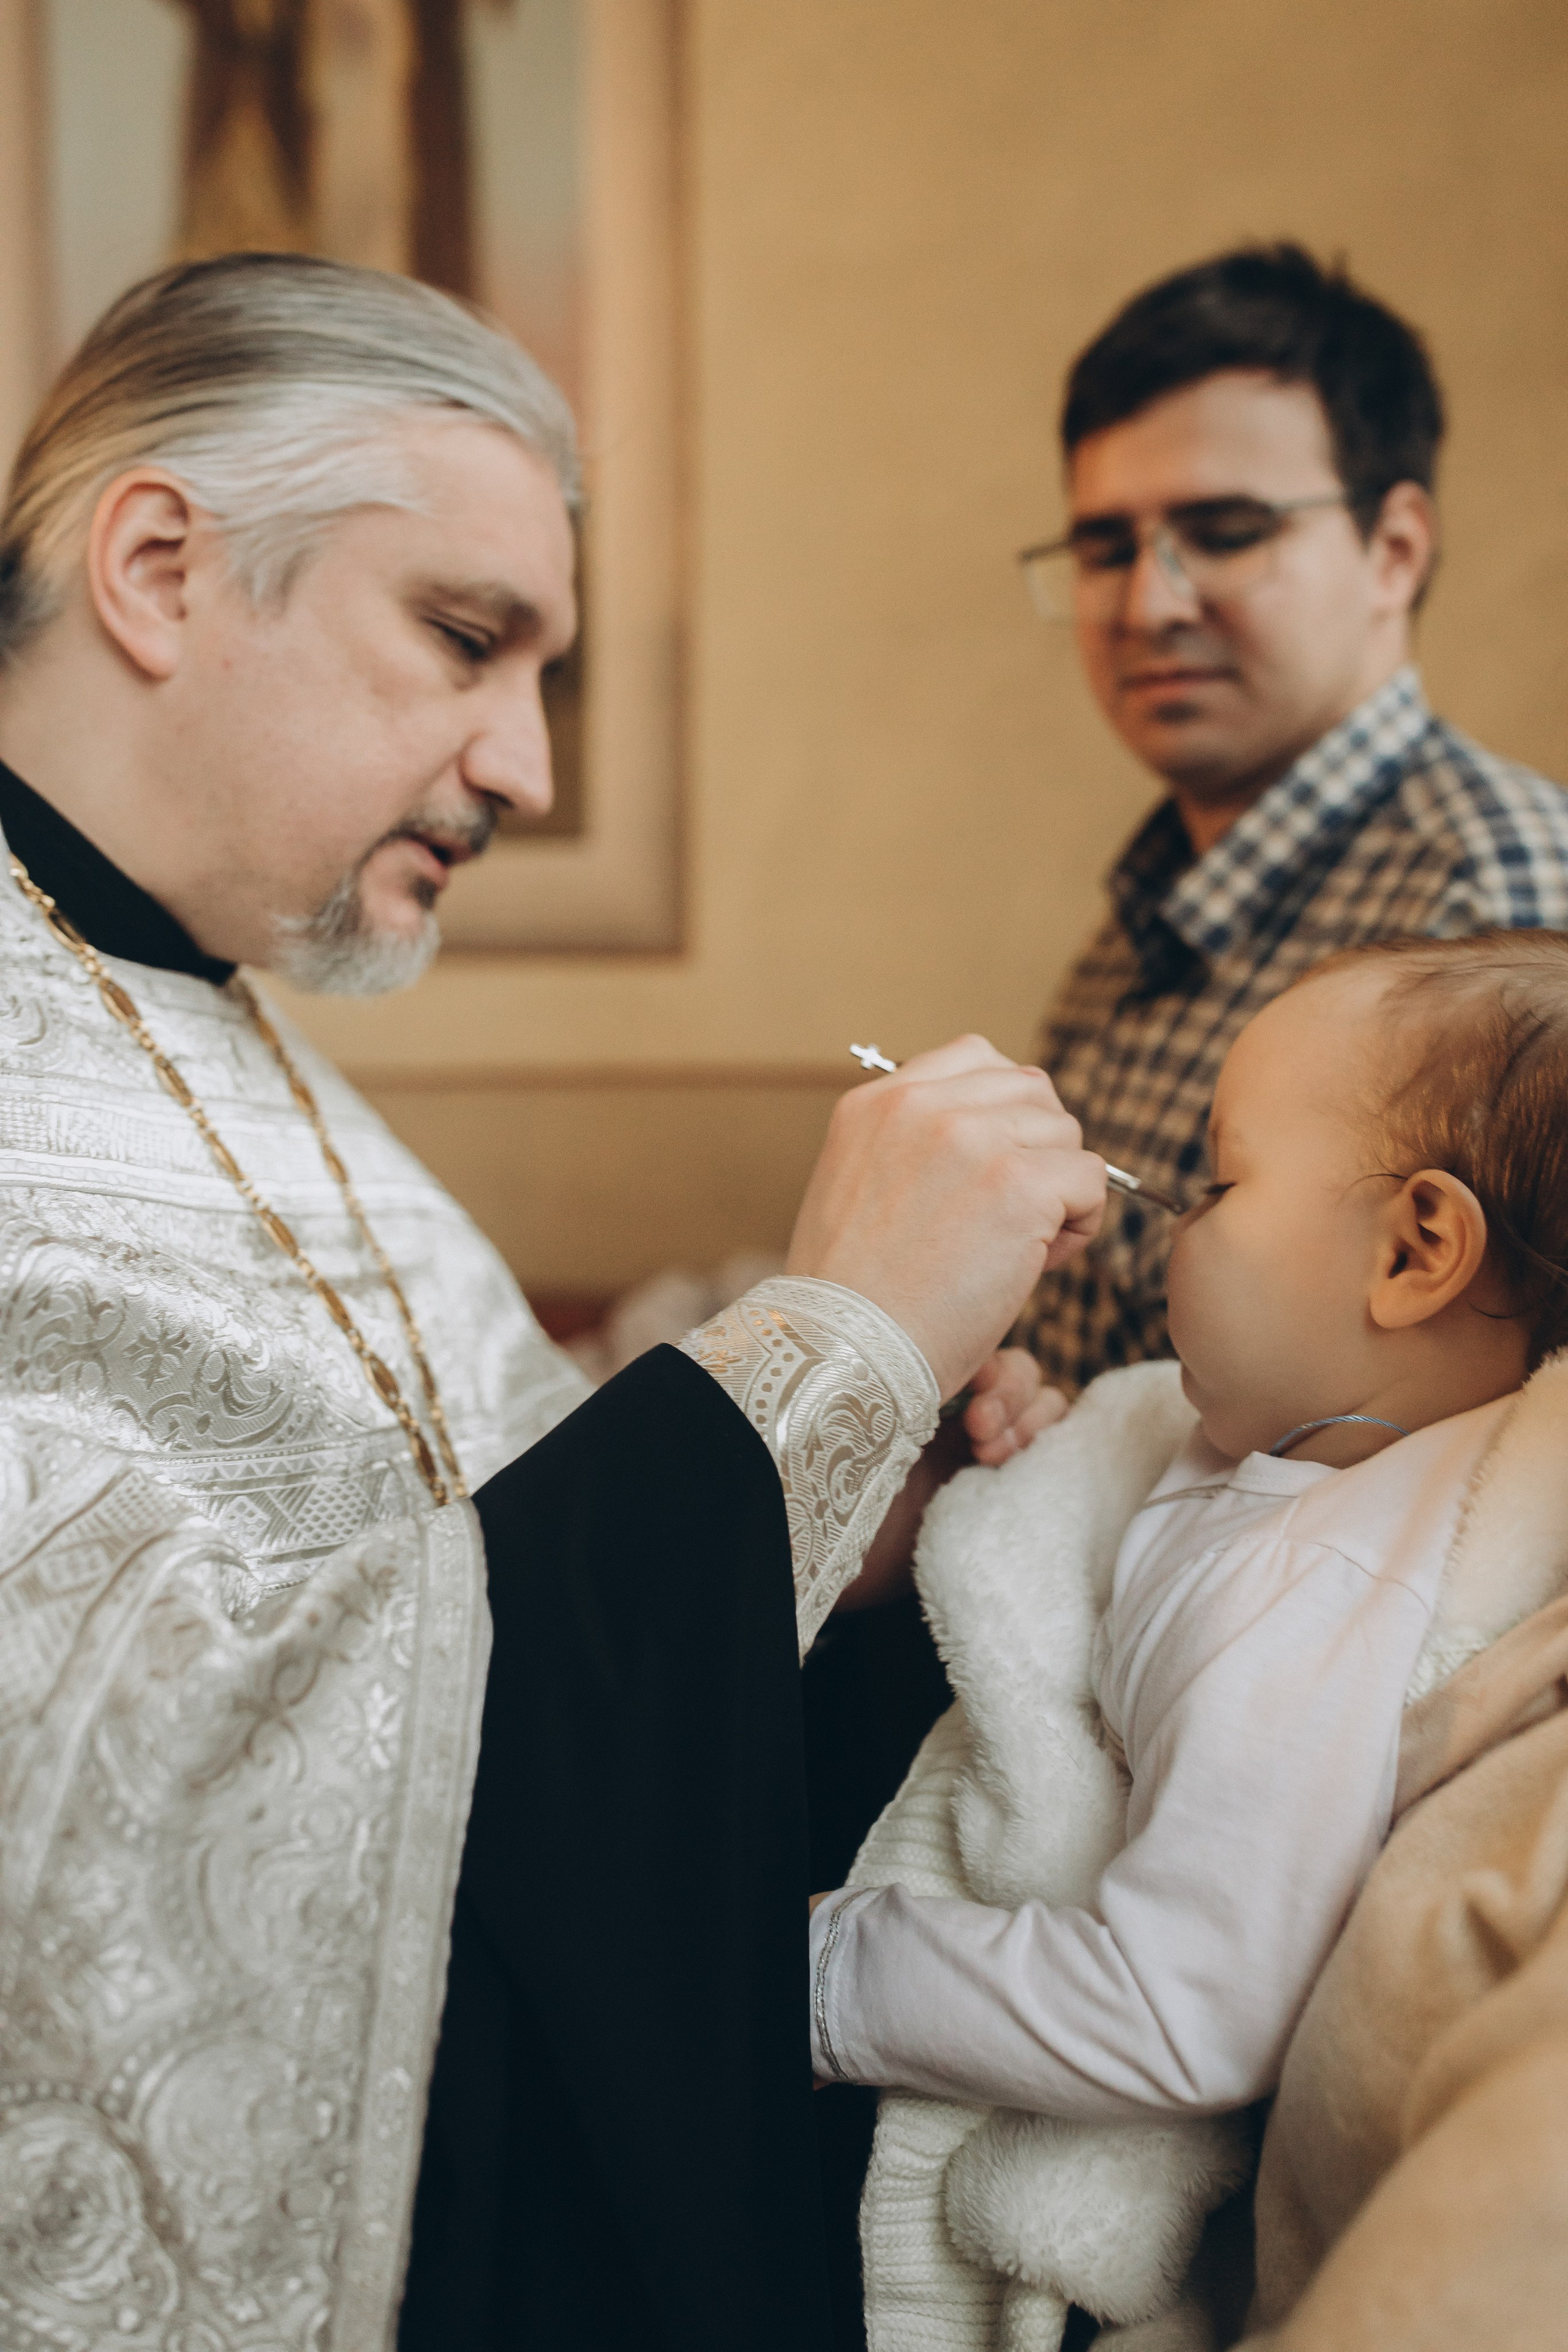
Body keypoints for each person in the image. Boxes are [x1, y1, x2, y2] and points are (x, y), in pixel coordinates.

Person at [0, 252, 1101, 2352]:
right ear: (158, 568)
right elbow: (133, 1809)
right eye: (463, 640)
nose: (519, 760)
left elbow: (482, 1568)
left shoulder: (245, 1038)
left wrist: (824, 1522)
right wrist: (828, 1337)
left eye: (543, 678)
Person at [810, 929, 1568, 2133]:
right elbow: (1101, 1526)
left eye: (1216, 1185)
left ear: (1412, 1252)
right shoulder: (1278, 1451)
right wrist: (1015, 1475)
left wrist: (819, 1966)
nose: (1164, 1218)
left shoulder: (1327, 1590)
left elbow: (1171, 2012)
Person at [1015, 242, 1568, 1392]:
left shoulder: (1488, 903)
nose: (1149, 603)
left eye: (1225, 531)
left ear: (1394, 550)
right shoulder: (1148, 913)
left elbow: (1486, 1460)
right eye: (1107, 548)